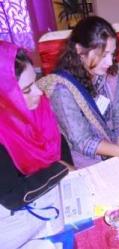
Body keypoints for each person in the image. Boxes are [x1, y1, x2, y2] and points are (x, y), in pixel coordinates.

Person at [37, 16, 119, 168]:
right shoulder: (62, 89)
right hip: (90, 157)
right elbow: (82, 141)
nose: (110, 62)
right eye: (103, 55)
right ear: (79, 50)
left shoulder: (110, 74)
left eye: (112, 54)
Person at [0, 41, 72, 248]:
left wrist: (65, 166)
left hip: (44, 188)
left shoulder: (37, 107)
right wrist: (60, 168)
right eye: (27, 89)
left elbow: (58, 139)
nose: (39, 93)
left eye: (36, 82)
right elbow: (13, 196)